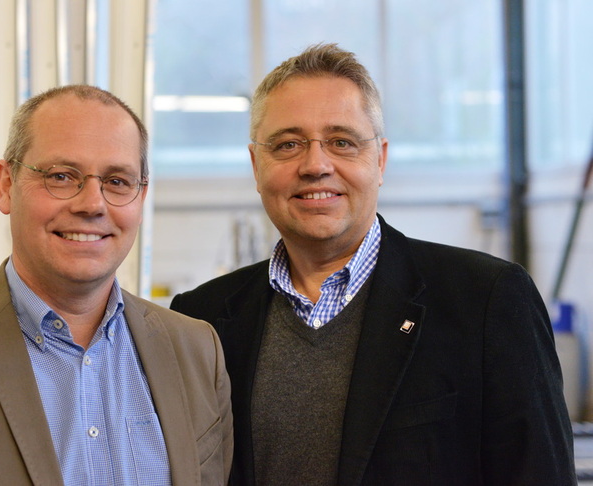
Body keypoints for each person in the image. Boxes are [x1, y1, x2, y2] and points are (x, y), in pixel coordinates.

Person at [170, 44, 576, 485]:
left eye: (341, 142)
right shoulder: (201, 319)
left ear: (379, 159)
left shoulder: (487, 301)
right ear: (256, 165)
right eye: (288, 144)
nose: (315, 165)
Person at [0, 85, 232, 485]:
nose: (92, 204)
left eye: (117, 181)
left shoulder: (197, 353)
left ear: (141, 197)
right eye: (61, 176)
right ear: (6, 185)